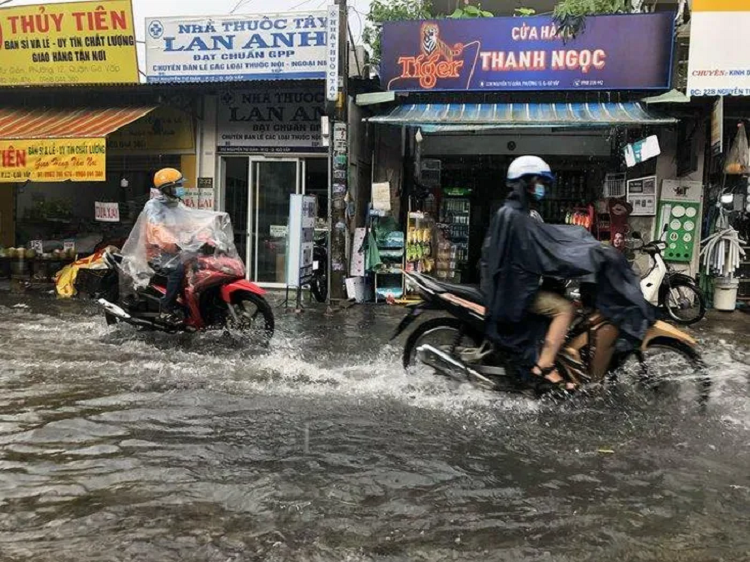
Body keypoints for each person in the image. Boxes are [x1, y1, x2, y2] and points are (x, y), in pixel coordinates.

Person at [482, 156, 653, 393]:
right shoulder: (515, 217)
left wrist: (582, 247)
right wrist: (582, 257)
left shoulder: (515, 213)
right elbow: (545, 253)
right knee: (565, 308)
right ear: (525, 183)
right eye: (537, 182)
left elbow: (548, 243)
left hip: (515, 286)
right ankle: (544, 366)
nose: (541, 188)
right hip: (514, 293)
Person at [145, 168, 188, 325]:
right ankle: (166, 307)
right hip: (158, 254)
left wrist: (207, 236)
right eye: (178, 185)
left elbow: (191, 223)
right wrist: (171, 244)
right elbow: (155, 229)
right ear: (168, 189)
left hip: (176, 251)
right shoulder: (153, 206)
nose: (181, 188)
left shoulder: (177, 204)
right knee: (179, 270)